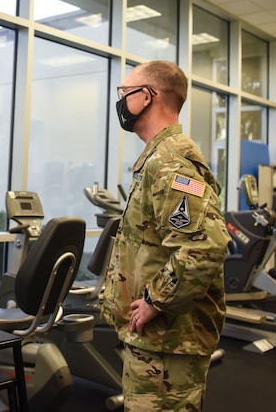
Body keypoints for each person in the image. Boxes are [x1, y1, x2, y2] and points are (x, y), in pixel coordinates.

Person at [100, 60, 232, 412]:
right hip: (159, 341)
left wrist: (156, 301)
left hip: (169, 341)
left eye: (124, 93)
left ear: (146, 96)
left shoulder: (170, 162)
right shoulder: (159, 157)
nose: (120, 102)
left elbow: (206, 245)